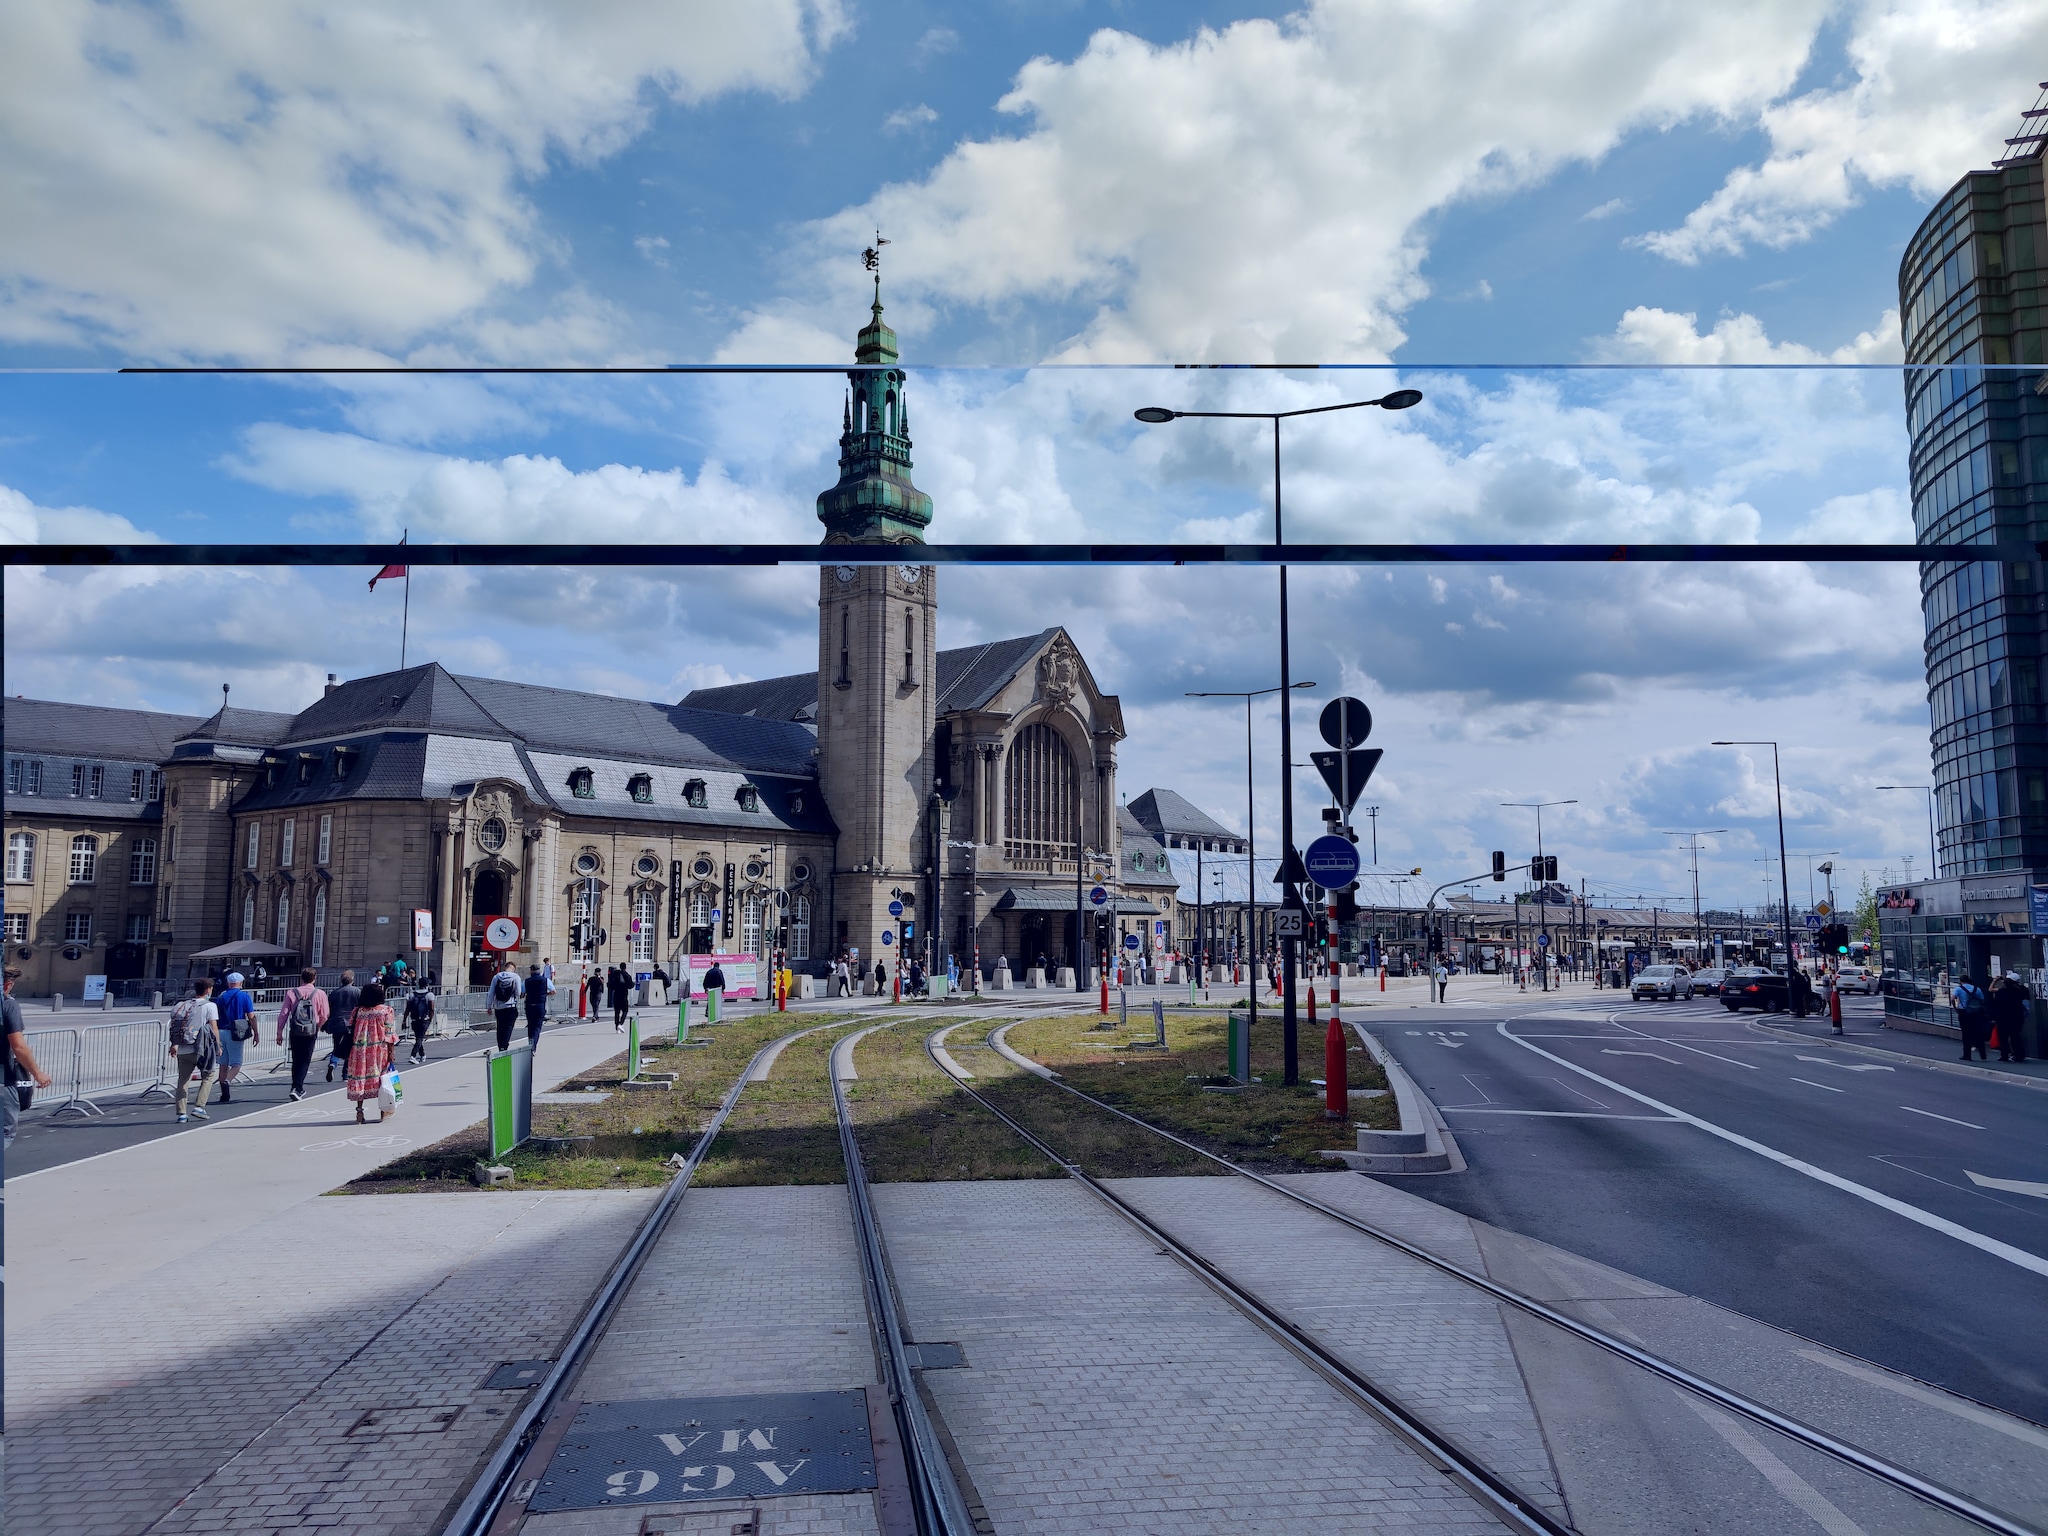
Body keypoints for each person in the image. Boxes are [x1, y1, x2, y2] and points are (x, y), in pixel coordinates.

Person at [2, 966, 53, 1148]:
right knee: (5, 1130)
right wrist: (37, 1073)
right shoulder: (8, 1005)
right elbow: (18, 1046)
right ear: (8, 984)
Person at [168, 978, 221, 1123]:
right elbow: (214, 1027)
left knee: (183, 1080)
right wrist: (218, 1045)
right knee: (208, 1075)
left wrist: (174, 1044)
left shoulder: (181, 1005)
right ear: (208, 989)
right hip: (201, 1048)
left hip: (182, 1048)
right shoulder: (210, 1006)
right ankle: (199, 1106)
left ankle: (181, 1113)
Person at [345, 981, 398, 1124]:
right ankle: (383, 1110)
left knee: (361, 1078)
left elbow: (350, 1028)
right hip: (379, 1050)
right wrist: (391, 1052)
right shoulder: (386, 1010)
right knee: (382, 1080)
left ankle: (359, 1111)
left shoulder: (357, 1011)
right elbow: (389, 1033)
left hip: (359, 1051)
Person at [275, 967, 329, 1100]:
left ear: (301, 978)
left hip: (295, 1029)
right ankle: (297, 1087)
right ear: (314, 978)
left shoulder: (292, 992)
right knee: (305, 1059)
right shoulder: (320, 993)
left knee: (296, 1058)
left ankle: (295, 1086)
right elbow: (325, 1014)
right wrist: (318, 1026)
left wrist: (279, 1031)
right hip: (311, 1030)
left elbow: (284, 1013)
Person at [324, 969, 361, 1083]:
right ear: (352, 979)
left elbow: (329, 1009)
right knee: (350, 1048)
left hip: (337, 1022)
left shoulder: (334, 993)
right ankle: (345, 1074)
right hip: (351, 1023)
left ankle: (333, 1063)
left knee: (337, 1047)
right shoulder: (357, 991)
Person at [1951, 973, 1991, 1061]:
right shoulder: (1977, 989)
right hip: (1976, 1013)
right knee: (1978, 1032)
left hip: (1964, 1012)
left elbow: (1952, 998)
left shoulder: (1958, 989)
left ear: (1961, 981)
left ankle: (1967, 1055)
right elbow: (1982, 999)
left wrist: (1955, 1008)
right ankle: (1982, 1052)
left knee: (1966, 1034)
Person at [1990, 974, 2027, 1064]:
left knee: (2003, 1038)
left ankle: (2004, 1055)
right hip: (2016, 1017)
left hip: (2003, 1018)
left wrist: (1995, 980)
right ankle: (2018, 1055)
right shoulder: (2019, 991)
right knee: (2015, 1037)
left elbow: (1991, 991)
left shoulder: (2001, 992)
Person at [488, 959, 523, 1051]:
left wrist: (489, 1006)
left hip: (498, 1006)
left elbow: (491, 993)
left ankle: (500, 1046)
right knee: (508, 1026)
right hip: (510, 1006)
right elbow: (518, 993)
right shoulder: (516, 977)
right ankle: (505, 1045)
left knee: (500, 1027)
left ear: (505, 967)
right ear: (514, 969)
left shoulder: (496, 977)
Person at [403, 982, 435, 1065]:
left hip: (414, 1019)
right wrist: (430, 1018)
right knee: (419, 1038)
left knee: (418, 1037)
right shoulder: (430, 995)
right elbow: (431, 1008)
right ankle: (413, 1055)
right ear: (427, 985)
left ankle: (422, 1054)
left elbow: (407, 1009)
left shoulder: (412, 995)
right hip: (424, 1019)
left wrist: (404, 1020)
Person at [522, 963, 549, 1053]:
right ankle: (533, 1047)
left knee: (530, 1026)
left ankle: (530, 1045)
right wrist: (544, 994)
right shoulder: (545, 980)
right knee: (537, 1027)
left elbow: (522, 994)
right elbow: (553, 991)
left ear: (531, 971)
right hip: (540, 1005)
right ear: (539, 971)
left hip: (529, 1005)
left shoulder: (526, 981)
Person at [607, 964, 631, 1030]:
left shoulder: (615, 975)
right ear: (625, 968)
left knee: (617, 1011)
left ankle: (617, 1025)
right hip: (623, 994)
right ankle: (621, 1023)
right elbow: (630, 985)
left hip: (616, 994)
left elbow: (610, 985)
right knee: (625, 1010)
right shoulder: (626, 975)